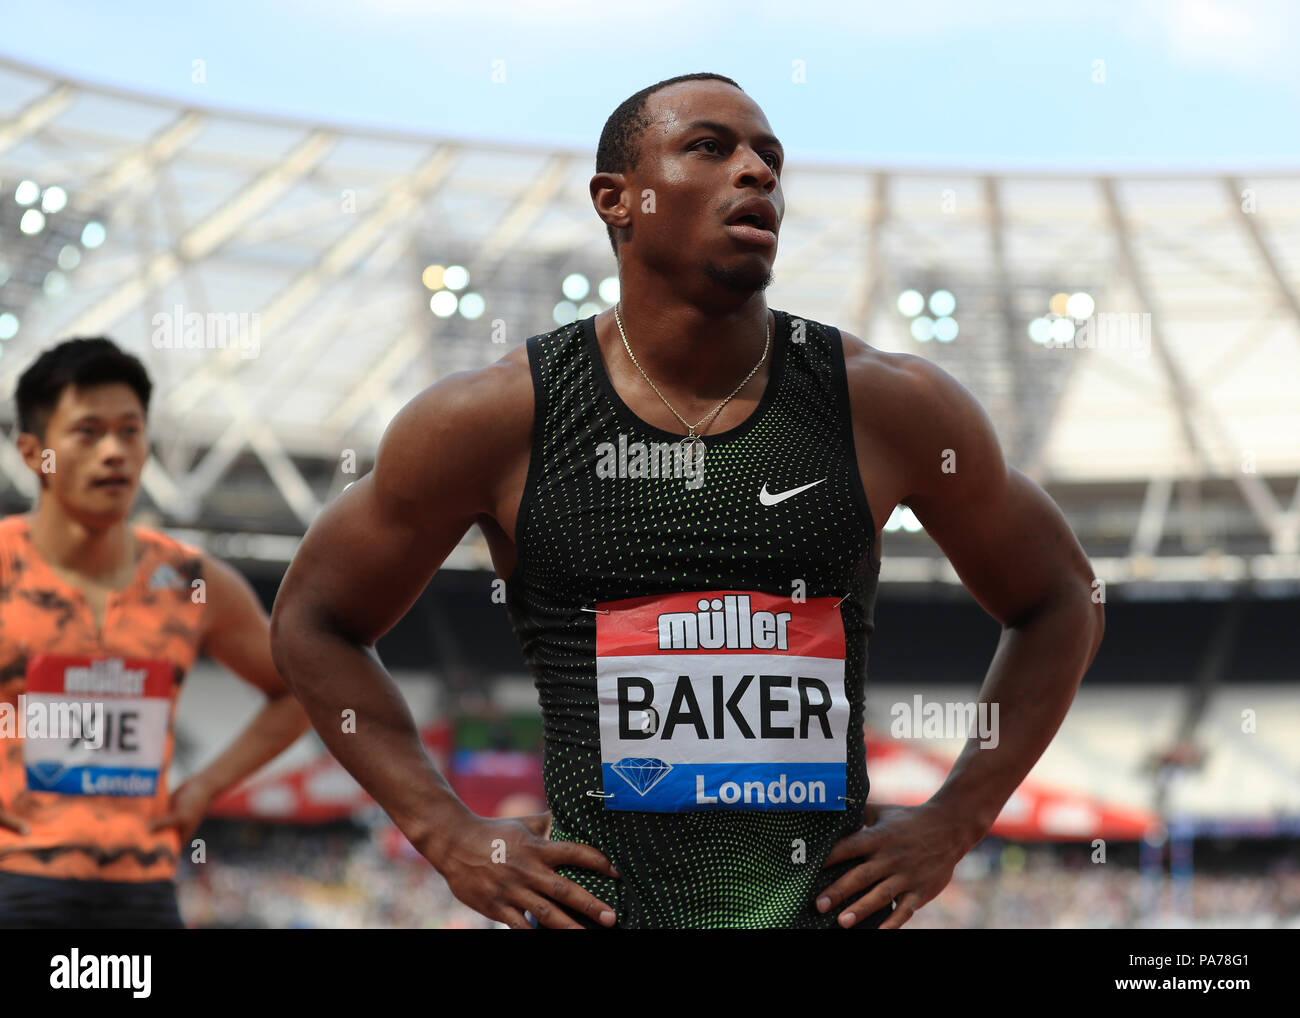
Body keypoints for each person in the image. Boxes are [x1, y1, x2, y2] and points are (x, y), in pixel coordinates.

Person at [269, 73, 1104, 929]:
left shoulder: (887, 404)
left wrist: (955, 820)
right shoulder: (498, 416)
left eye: (770, 158)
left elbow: (1063, 597)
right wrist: (443, 832)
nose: (757, 173)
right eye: (710, 148)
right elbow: (313, 620)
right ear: (616, 199)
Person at [0, 337, 310, 928]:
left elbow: (298, 689)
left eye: (130, 430)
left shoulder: (192, 583)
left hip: (141, 887)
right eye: (87, 432)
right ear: (35, 453)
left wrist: (202, 788)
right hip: (14, 877)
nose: (114, 451)